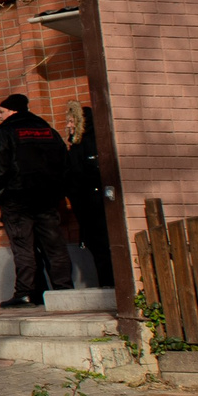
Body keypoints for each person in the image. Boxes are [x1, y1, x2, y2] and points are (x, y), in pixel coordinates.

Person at [0, 93, 73, 307]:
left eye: (1, 112)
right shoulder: (48, 131)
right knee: (54, 245)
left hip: (17, 199)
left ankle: (26, 293)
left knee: (23, 245)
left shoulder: (2, 133)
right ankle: (64, 290)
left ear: (13, 111)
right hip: (47, 198)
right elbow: (64, 164)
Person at [65, 104, 114, 290]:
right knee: (98, 246)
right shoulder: (77, 145)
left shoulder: (91, 143)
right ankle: (107, 283)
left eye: (72, 121)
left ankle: (109, 284)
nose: (69, 125)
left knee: (102, 246)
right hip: (86, 205)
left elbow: (89, 174)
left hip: (95, 205)